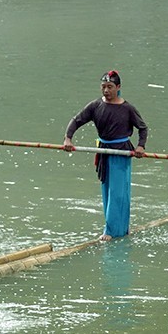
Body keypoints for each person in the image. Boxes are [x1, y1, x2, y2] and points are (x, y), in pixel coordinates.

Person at [63, 70, 148, 241]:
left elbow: (143, 128)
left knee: (119, 192)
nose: (106, 91)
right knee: (107, 191)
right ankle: (117, 227)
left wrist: (140, 146)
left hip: (121, 152)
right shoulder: (95, 106)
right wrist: (68, 138)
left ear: (118, 87)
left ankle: (112, 231)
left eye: (110, 87)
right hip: (103, 151)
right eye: (103, 87)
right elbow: (77, 120)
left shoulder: (127, 109)